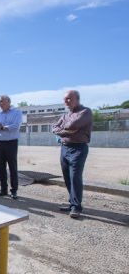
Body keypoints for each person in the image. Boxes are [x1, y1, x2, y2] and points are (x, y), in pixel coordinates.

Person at [52, 90, 93, 219]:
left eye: (69, 99)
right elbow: (54, 128)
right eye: (65, 99)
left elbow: (73, 124)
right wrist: (67, 130)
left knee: (75, 177)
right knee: (67, 178)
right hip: (65, 148)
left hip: (78, 149)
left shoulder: (85, 112)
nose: (66, 101)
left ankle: (76, 207)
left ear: (77, 99)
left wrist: (63, 129)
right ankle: (72, 203)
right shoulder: (65, 114)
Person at [0, 95, 22, 199]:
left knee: (12, 167)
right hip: (0, 142)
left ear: (8, 102)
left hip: (11, 142)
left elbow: (16, 126)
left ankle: (14, 190)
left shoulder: (16, 112)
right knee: (1, 167)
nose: (0, 104)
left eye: (2, 102)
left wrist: (3, 127)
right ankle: (3, 189)